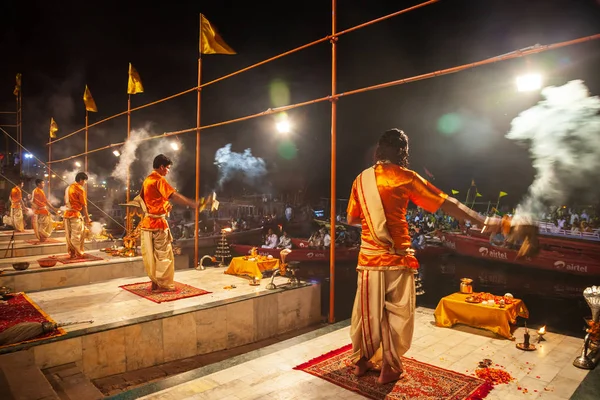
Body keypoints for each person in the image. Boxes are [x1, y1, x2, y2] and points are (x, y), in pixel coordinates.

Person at [346, 129, 515, 384]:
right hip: (397, 258)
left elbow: (351, 218)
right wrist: (485, 221)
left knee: (368, 313)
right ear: (402, 152)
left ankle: (362, 362)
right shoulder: (406, 177)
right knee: (394, 315)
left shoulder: (361, 180)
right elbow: (447, 203)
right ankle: (388, 368)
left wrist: (375, 226)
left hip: (368, 258)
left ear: (379, 150)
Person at [138, 154, 201, 291]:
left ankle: (155, 283)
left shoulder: (147, 180)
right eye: (167, 168)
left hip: (147, 223)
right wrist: (192, 203)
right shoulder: (158, 179)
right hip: (158, 224)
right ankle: (164, 285)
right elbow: (173, 195)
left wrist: (164, 205)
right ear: (161, 167)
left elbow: (147, 200)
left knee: (152, 256)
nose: (168, 171)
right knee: (163, 255)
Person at [64, 173, 91, 258]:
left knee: (69, 235)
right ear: (81, 180)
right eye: (85, 181)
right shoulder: (80, 188)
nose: (85, 183)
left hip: (67, 214)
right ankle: (77, 252)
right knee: (76, 235)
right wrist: (87, 218)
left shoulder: (68, 188)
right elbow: (84, 205)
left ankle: (72, 253)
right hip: (75, 215)